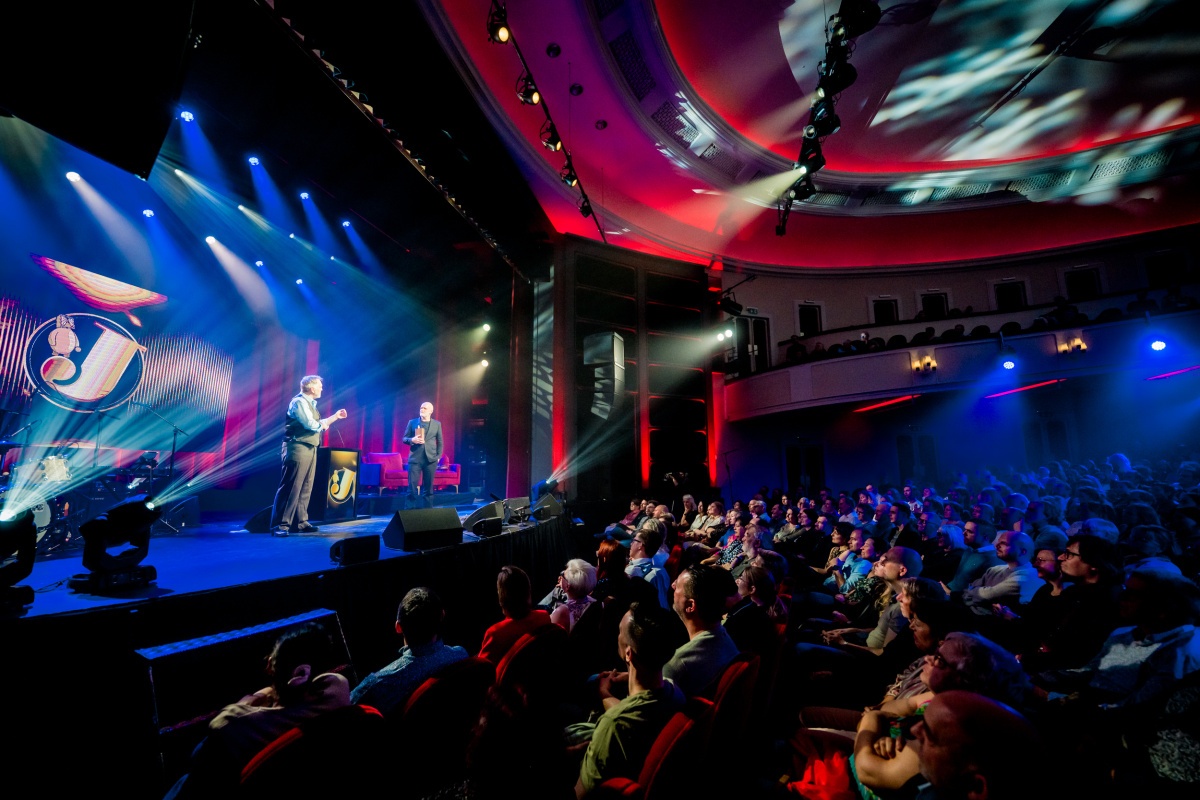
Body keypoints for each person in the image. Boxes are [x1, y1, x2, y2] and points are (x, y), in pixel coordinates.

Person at [165, 622, 351, 798]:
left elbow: (206, 744)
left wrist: (248, 703)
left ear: (271, 666)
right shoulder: (337, 696)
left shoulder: (234, 726)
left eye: (272, 661)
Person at [577, 603, 686, 798]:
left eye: (620, 631)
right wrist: (627, 677)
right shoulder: (675, 692)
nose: (618, 635)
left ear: (629, 653)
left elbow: (581, 794)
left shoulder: (614, 724)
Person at [349, 587, 467, 717]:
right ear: (442, 615)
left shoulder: (379, 684)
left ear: (398, 627)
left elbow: (343, 712)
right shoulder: (461, 655)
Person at [271, 375, 347, 536]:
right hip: (297, 447)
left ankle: (300, 522)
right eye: (319, 386)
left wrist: (335, 417)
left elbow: (317, 424)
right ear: (311, 388)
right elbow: (311, 425)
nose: (321, 388)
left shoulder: (309, 404)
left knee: (306, 486)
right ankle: (280, 525)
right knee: (292, 486)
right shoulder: (299, 402)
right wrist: (322, 425)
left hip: (310, 447)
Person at [478, 565, 553, 665]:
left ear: (502, 596)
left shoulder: (495, 634)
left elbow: (481, 669)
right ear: (528, 591)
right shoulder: (543, 617)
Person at [402, 401, 443, 509]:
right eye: (421, 407)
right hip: (415, 459)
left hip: (431, 459)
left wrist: (438, 457)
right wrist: (412, 440)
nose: (422, 409)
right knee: (412, 488)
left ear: (431, 411)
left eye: (425, 408)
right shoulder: (412, 422)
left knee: (428, 489)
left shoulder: (437, 424)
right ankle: (409, 512)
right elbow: (404, 439)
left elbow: (440, 441)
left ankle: (428, 512)